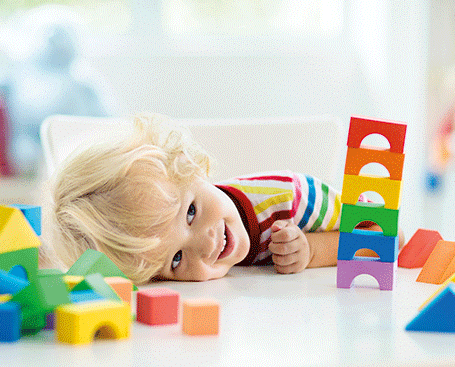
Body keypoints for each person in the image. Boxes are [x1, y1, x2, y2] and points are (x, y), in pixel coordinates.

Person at [42, 113, 403, 285]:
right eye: (176, 259)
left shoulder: (292, 198)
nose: (206, 244)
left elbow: (389, 236)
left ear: (192, 167)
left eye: (190, 213)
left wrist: (312, 250)